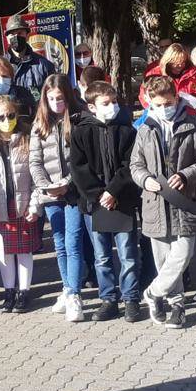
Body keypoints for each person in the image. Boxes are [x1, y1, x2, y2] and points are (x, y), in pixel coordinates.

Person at [131, 76, 196, 329]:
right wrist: (145, 180)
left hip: (186, 202)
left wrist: (186, 175)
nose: (163, 108)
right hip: (155, 204)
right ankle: (176, 305)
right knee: (163, 260)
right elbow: (135, 165)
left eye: (168, 102)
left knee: (183, 253)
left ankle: (152, 293)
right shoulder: (145, 129)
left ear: (176, 99)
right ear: (150, 102)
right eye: (157, 104)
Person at [70, 81, 142, 322]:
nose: (112, 107)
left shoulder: (127, 131)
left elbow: (130, 165)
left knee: (128, 254)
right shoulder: (81, 132)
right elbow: (79, 169)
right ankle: (108, 299)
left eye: (114, 102)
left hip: (123, 200)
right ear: (92, 107)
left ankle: (131, 298)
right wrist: (99, 194)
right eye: (105, 103)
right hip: (94, 204)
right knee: (102, 256)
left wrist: (114, 191)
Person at [31, 74, 86, 322]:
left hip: (73, 193)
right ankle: (66, 288)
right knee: (60, 242)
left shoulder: (78, 119)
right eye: (51, 99)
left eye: (60, 98)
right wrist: (47, 187)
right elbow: (35, 162)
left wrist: (66, 185)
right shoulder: (39, 124)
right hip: (50, 194)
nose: (56, 103)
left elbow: (82, 159)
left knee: (74, 242)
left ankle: (74, 294)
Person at [0, 95, 41, 314]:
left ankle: (24, 292)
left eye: (11, 115)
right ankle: (9, 292)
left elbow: (36, 177)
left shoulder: (27, 138)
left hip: (22, 204)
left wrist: (35, 206)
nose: (7, 120)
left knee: (24, 252)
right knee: (3, 253)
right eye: (1, 117)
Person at [3, 14, 56, 97]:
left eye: (20, 33)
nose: (16, 37)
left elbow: (54, 95)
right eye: (12, 34)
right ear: (7, 39)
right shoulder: (0, 66)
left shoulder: (44, 66)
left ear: (27, 36)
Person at [137, 43, 196, 108]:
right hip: (161, 112)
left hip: (187, 113)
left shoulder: (193, 73)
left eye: (183, 62)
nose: (180, 66)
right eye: (176, 63)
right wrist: (155, 111)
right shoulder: (154, 74)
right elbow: (143, 97)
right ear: (168, 61)